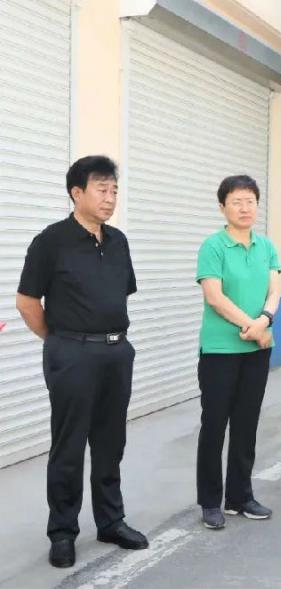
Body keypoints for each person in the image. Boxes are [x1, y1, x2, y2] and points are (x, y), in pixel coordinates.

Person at [16, 156, 148, 568]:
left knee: (111, 442)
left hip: (116, 352)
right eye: (101, 189)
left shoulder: (118, 241)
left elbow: (118, 296)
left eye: (114, 190)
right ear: (77, 192)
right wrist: (61, 341)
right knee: (69, 445)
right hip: (72, 353)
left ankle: (111, 521)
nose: (110, 198)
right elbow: (27, 302)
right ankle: (62, 531)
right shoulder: (51, 241)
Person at [195, 175, 281, 529]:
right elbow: (214, 297)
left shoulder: (266, 246)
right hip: (220, 350)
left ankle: (240, 496)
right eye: (236, 201)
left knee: (247, 424)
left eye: (250, 201)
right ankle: (210, 502)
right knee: (215, 425)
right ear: (222, 207)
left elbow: (274, 292)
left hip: (257, 350)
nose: (245, 208)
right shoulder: (213, 246)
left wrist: (264, 320)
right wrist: (253, 326)